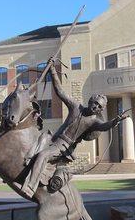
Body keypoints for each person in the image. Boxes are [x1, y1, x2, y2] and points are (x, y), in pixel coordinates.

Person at [21, 59, 127, 197]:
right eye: (95, 103)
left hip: (62, 146)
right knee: (31, 147)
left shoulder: (94, 121)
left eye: (99, 107)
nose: (96, 107)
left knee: (42, 155)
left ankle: (30, 186)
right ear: (90, 101)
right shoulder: (75, 106)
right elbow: (59, 91)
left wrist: (114, 122)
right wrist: (52, 70)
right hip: (52, 138)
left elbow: (104, 126)